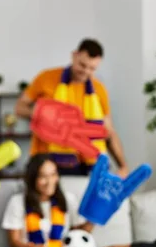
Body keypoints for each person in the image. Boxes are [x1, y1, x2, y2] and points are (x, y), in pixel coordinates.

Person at [14, 39, 128, 177]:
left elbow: (108, 131)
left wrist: (123, 166)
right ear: (74, 55)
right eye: (82, 65)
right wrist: (43, 114)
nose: (86, 71)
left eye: (92, 68)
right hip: (45, 162)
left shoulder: (99, 90)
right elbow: (19, 108)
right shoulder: (46, 78)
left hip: (87, 165)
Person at [1, 153, 93, 247]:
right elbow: (14, 243)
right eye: (43, 176)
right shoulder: (18, 201)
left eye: (53, 174)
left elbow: (78, 235)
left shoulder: (67, 200)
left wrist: (95, 216)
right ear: (33, 179)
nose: (50, 181)